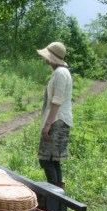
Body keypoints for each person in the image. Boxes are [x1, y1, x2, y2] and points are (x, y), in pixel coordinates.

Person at [36, 42, 73, 189]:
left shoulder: (60, 73)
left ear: (52, 58)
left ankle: (54, 195)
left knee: (46, 160)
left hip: (57, 120)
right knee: (53, 160)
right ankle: (58, 196)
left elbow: (57, 101)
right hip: (58, 120)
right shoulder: (60, 72)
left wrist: (47, 124)